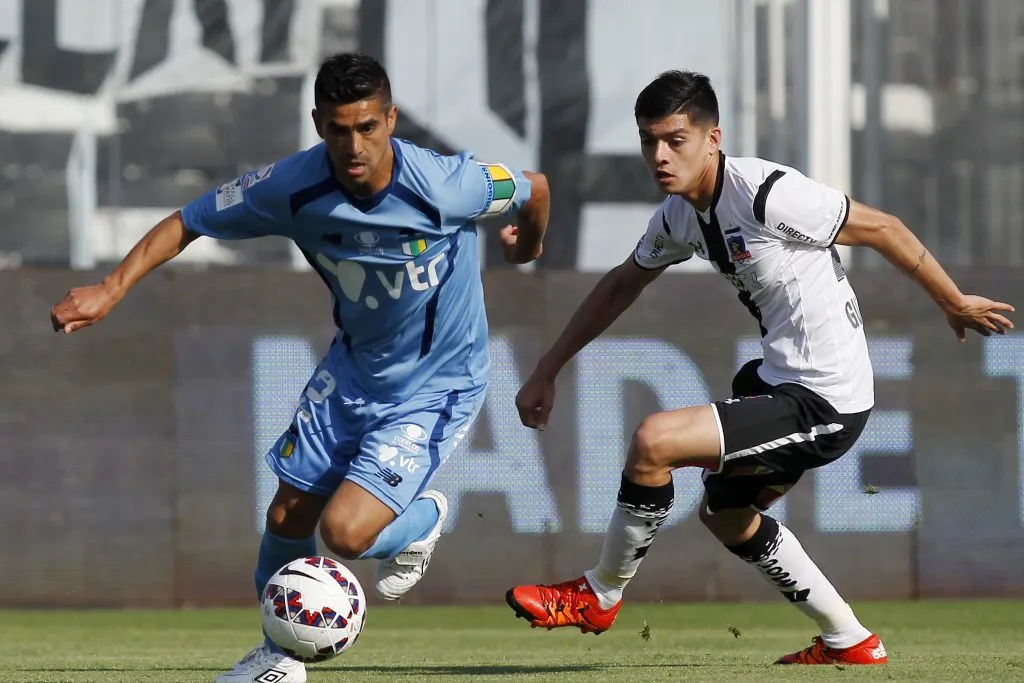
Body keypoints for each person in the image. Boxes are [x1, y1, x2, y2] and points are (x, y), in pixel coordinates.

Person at [50, 52, 550, 683]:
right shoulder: (290, 188)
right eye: (339, 129)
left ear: (391, 119)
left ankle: (425, 518)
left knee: (345, 534)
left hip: (437, 383)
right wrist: (109, 289)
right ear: (318, 124)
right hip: (353, 370)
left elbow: (534, 187)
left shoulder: (448, 186)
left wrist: (528, 244)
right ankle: (277, 658)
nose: (354, 144)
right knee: (287, 515)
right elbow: (188, 221)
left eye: (368, 126)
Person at [505, 70, 1013, 666]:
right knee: (726, 517)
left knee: (653, 442)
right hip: (779, 382)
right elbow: (621, 285)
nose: (660, 156)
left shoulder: (767, 192)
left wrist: (951, 300)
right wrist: (548, 366)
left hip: (826, 399)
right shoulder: (679, 216)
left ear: (712, 137)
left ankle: (599, 594)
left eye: (676, 140)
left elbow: (881, 227)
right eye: (649, 141)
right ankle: (849, 640)